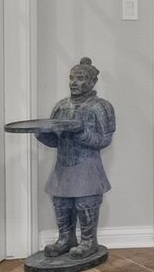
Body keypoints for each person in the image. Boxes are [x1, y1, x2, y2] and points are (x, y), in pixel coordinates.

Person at [36, 57, 116, 260]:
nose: (73, 82)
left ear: (92, 82)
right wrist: (42, 133)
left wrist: (82, 133)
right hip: (64, 164)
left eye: (80, 78)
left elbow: (104, 139)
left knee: (86, 201)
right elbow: (56, 140)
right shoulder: (62, 106)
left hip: (87, 164)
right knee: (61, 202)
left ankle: (88, 242)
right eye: (71, 78)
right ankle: (66, 239)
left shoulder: (100, 107)